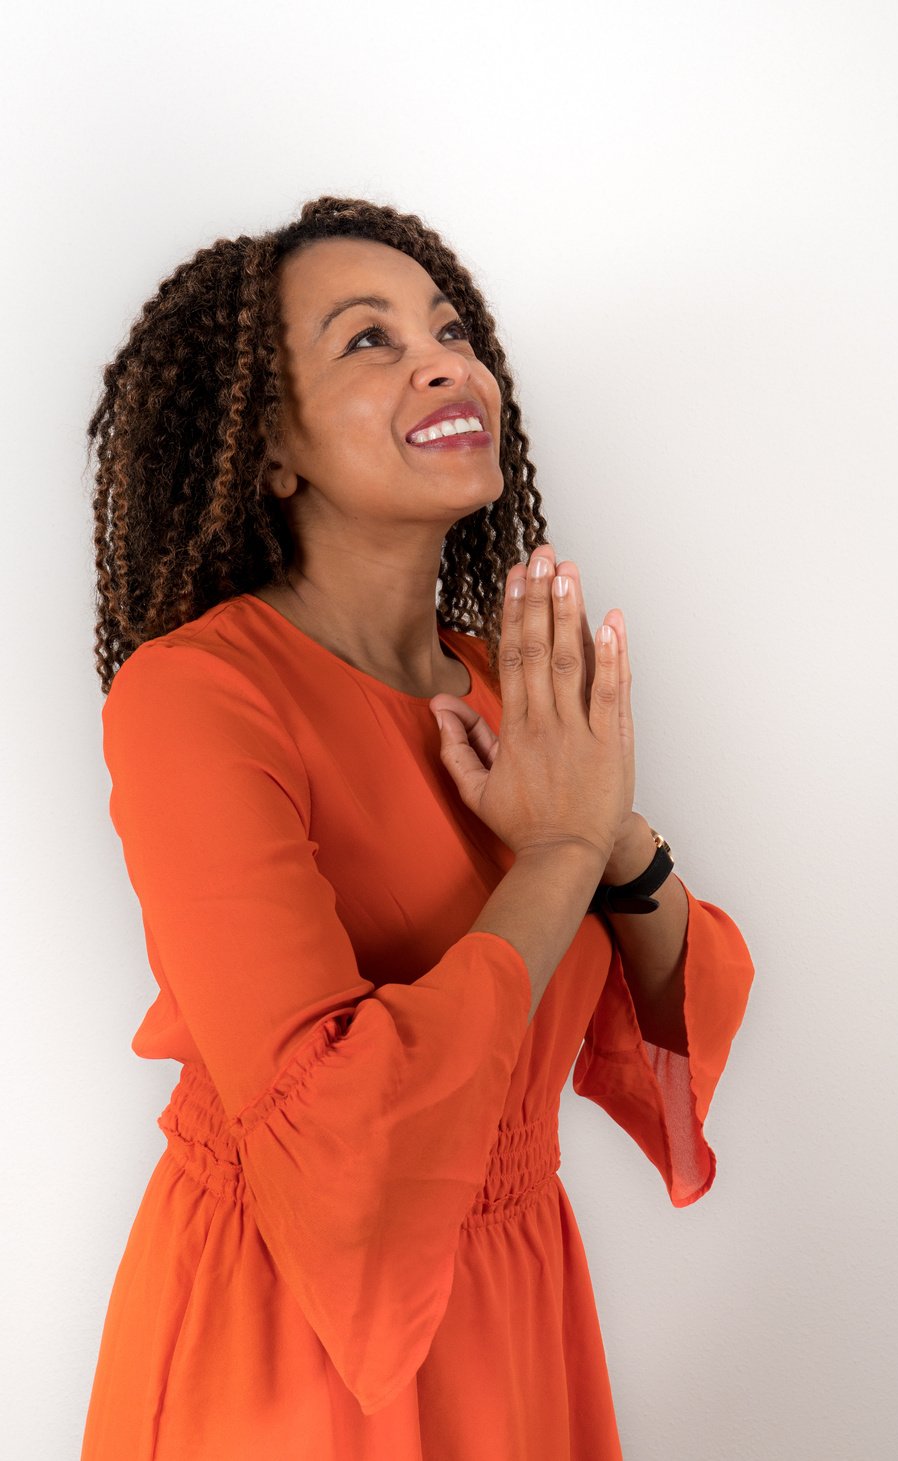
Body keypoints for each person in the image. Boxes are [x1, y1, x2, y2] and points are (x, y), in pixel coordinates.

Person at [79, 194, 756, 1460]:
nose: (449, 359)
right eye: (368, 340)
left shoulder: (497, 685)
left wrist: (609, 834)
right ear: (267, 444)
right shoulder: (194, 698)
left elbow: (672, 1023)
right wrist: (557, 849)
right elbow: (335, 1139)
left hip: (514, 1321)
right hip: (289, 1347)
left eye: (449, 328)